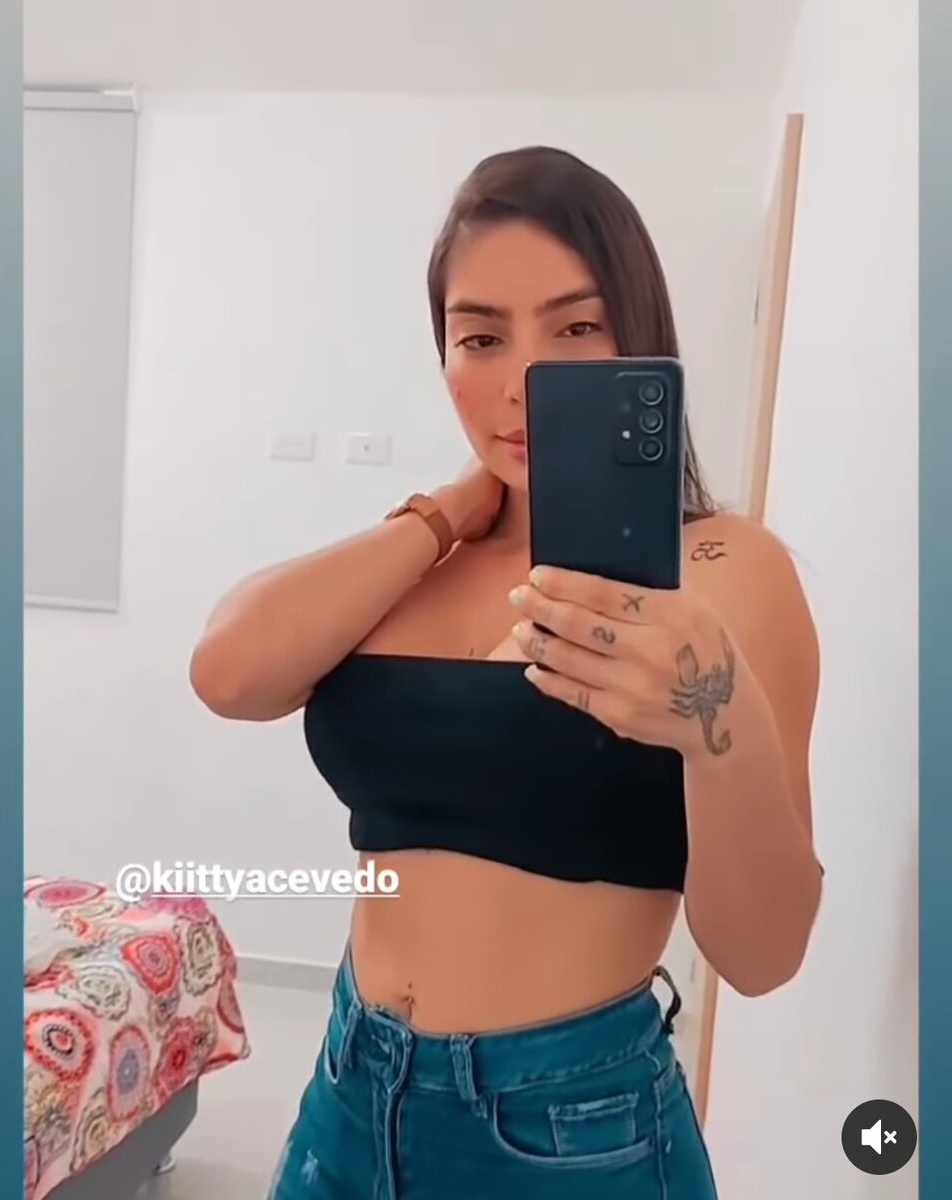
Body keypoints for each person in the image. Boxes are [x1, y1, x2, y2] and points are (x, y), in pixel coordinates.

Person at [190, 145, 823, 1199]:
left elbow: (763, 956)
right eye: (480, 336)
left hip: (570, 1128)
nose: (525, 380)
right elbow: (228, 673)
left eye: (575, 328)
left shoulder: (722, 570)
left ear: (637, 340)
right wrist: (445, 512)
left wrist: (718, 723)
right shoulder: (424, 555)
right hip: (348, 1089)